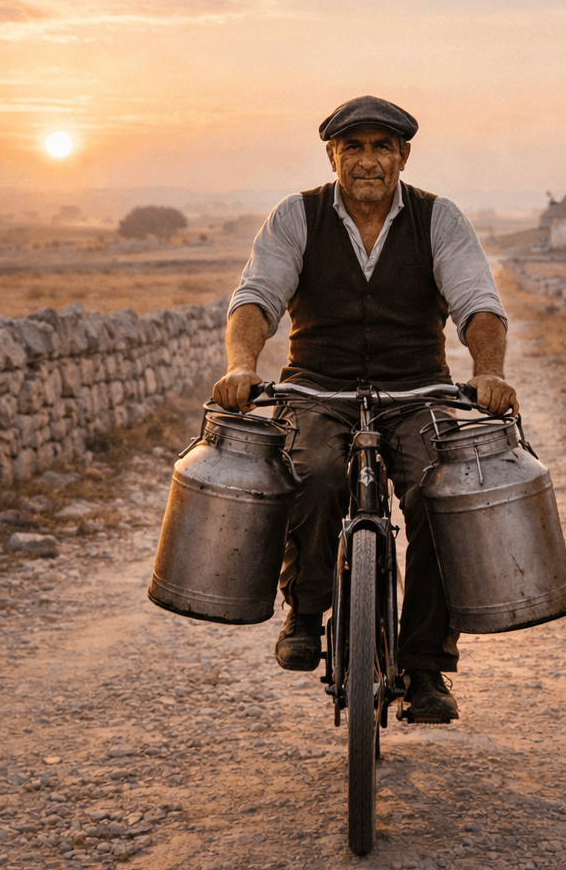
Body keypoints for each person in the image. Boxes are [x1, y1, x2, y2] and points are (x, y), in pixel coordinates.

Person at [212, 95, 518, 721]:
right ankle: (305, 611)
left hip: (416, 390)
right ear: (333, 156)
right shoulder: (296, 216)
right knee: (313, 472)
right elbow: (257, 297)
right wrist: (242, 365)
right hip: (316, 386)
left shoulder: (439, 219)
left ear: (403, 156)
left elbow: (477, 303)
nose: (368, 160)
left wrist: (488, 372)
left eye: (382, 147)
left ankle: (426, 664)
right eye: (353, 147)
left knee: (440, 495)